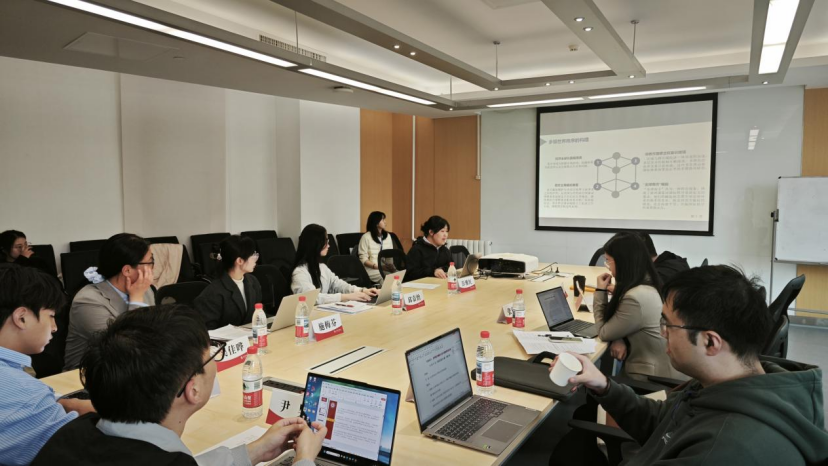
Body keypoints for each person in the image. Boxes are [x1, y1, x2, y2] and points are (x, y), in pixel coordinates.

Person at [551, 265, 828, 465]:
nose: (662, 333)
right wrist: (603, 385)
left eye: (668, 324)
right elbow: (664, 422)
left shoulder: (721, 452)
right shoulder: (724, 383)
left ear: (710, 342)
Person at [32, 304, 326, 466]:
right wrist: (303, 460)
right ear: (192, 389)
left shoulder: (74, 432)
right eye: (211, 355)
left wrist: (255, 451)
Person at [0, 265, 94, 465]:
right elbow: (85, 446)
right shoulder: (26, 395)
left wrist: (64, 403)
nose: (54, 327)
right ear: (21, 317)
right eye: (51, 316)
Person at [595, 232, 684, 381]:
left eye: (608, 261)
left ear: (622, 262)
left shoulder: (635, 297)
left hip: (653, 377)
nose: (608, 267)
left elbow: (604, 333)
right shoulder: (648, 282)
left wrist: (600, 291)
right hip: (664, 367)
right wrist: (618, 336)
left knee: (598, 384)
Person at [63, 233, 155, 371]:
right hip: (91, 375)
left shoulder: (145, 290)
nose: (153, 267)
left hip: (135, 369)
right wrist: (136, 300)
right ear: (127, 270)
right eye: (150, 262)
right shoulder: (88, 301)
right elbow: (125, 348)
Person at [291, 224, 377, 305]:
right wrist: (345, 297)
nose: (328, 245)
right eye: (325, 241)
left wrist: (362, 290)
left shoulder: (322, 267)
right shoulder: (299, 272)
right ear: (315, 243)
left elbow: (338, 285)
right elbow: (313, 298)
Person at [194, 235, 263, 330]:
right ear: (239, 261)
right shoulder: (213, 293)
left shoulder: (253, 282)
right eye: (253, 255)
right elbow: (207, 331)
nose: (256, 259)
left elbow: (258, 314)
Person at [405, 216, 451, 282]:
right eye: (442, 231)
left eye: (446, 231)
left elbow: (451, 266)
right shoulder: (417, 249)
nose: (445, 235)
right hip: (421, 285)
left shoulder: (444, 249)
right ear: (431, 232)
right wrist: (433, 271)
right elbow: (410, 273)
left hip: (439, 283)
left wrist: (442, 270)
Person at [358, 211, 395, 285]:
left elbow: (389, 255)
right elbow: (363, 259)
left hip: (385, 268)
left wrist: (390, 266)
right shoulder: (366, 237)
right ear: (376, 222)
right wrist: (377, 267)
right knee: (386, 278)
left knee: (398, 276)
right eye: (382, 219)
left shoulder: (388, 236)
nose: (385, 222)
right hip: (371, 269)